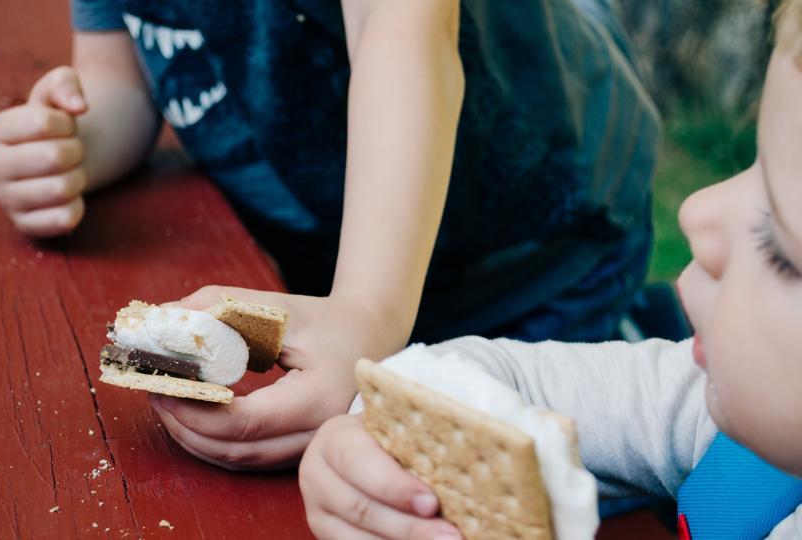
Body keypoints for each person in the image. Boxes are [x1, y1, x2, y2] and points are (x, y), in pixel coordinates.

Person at [0, 0, 658, 469]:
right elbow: (120, 77)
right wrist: (72, 145)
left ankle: (650, 341)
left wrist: (366, 312)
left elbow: (402, 36)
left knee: (550, 477)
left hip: (537, 252)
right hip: (342, 263)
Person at [298, 2, 802, 537]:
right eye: (752, 163)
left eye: (781, 248)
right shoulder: (705, 403)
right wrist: (373, 442)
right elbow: (481, 382)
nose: (695, 212)